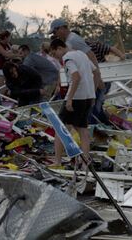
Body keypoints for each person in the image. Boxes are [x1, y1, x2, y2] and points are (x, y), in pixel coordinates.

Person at [49, 38, 98, 167]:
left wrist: (69, 98)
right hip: (87, 97)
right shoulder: (81, 54)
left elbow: (76, 77)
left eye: (54, 54)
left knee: (60, 129)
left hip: (76, 97)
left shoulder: (67, 58)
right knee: (83, 130)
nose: (55, 57)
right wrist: (93, 94)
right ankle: (85, 162)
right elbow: (95, 71)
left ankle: (57, 161)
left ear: (59, 48)